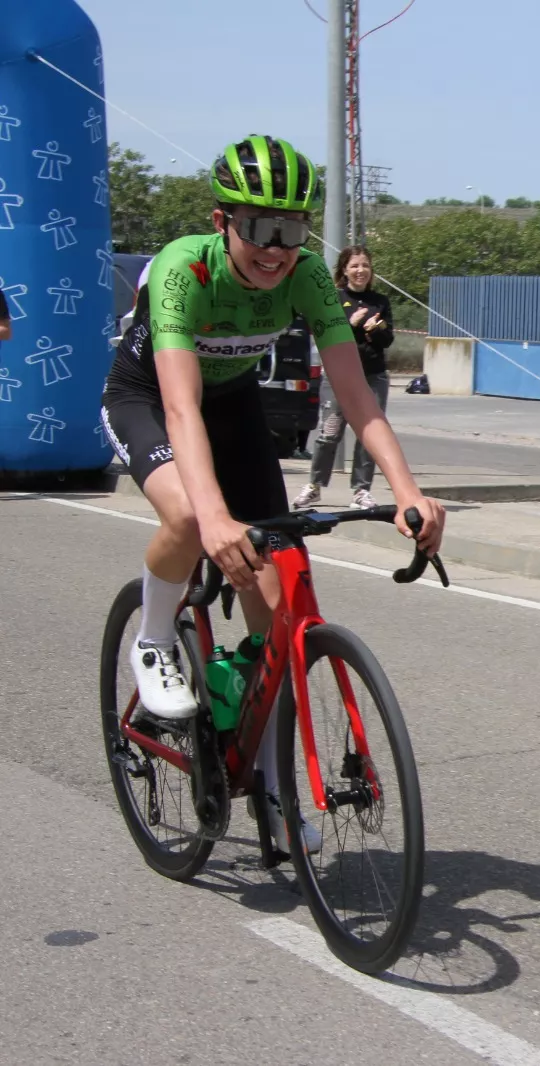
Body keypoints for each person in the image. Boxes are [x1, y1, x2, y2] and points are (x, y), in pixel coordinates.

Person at [99, 134, 445, 850]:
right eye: (260, 226)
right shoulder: (182, 270)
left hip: (233, 407)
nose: (276, 247)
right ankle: (157, 639)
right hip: (148, 397)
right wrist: (217, 516)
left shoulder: (310, 277)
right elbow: (179, 410)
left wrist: (410, 491)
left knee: (277, 620)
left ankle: (276, 792)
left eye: (290, 229)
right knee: (195, 520)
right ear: (224, 220)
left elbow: (356, 394)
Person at [293, 246, 393, 509]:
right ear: (344, 270)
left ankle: (361, 490)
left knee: (369, 435)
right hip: (339, 377)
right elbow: (329, 334)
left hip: (373, 377)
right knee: (329, 434)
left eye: (365, 266)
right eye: (355, 266)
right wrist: (354, 324)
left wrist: (376, 329)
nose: (360, 271)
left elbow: (387, 339)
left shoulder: (380, 302)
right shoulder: (334, 299)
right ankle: (314, 486)